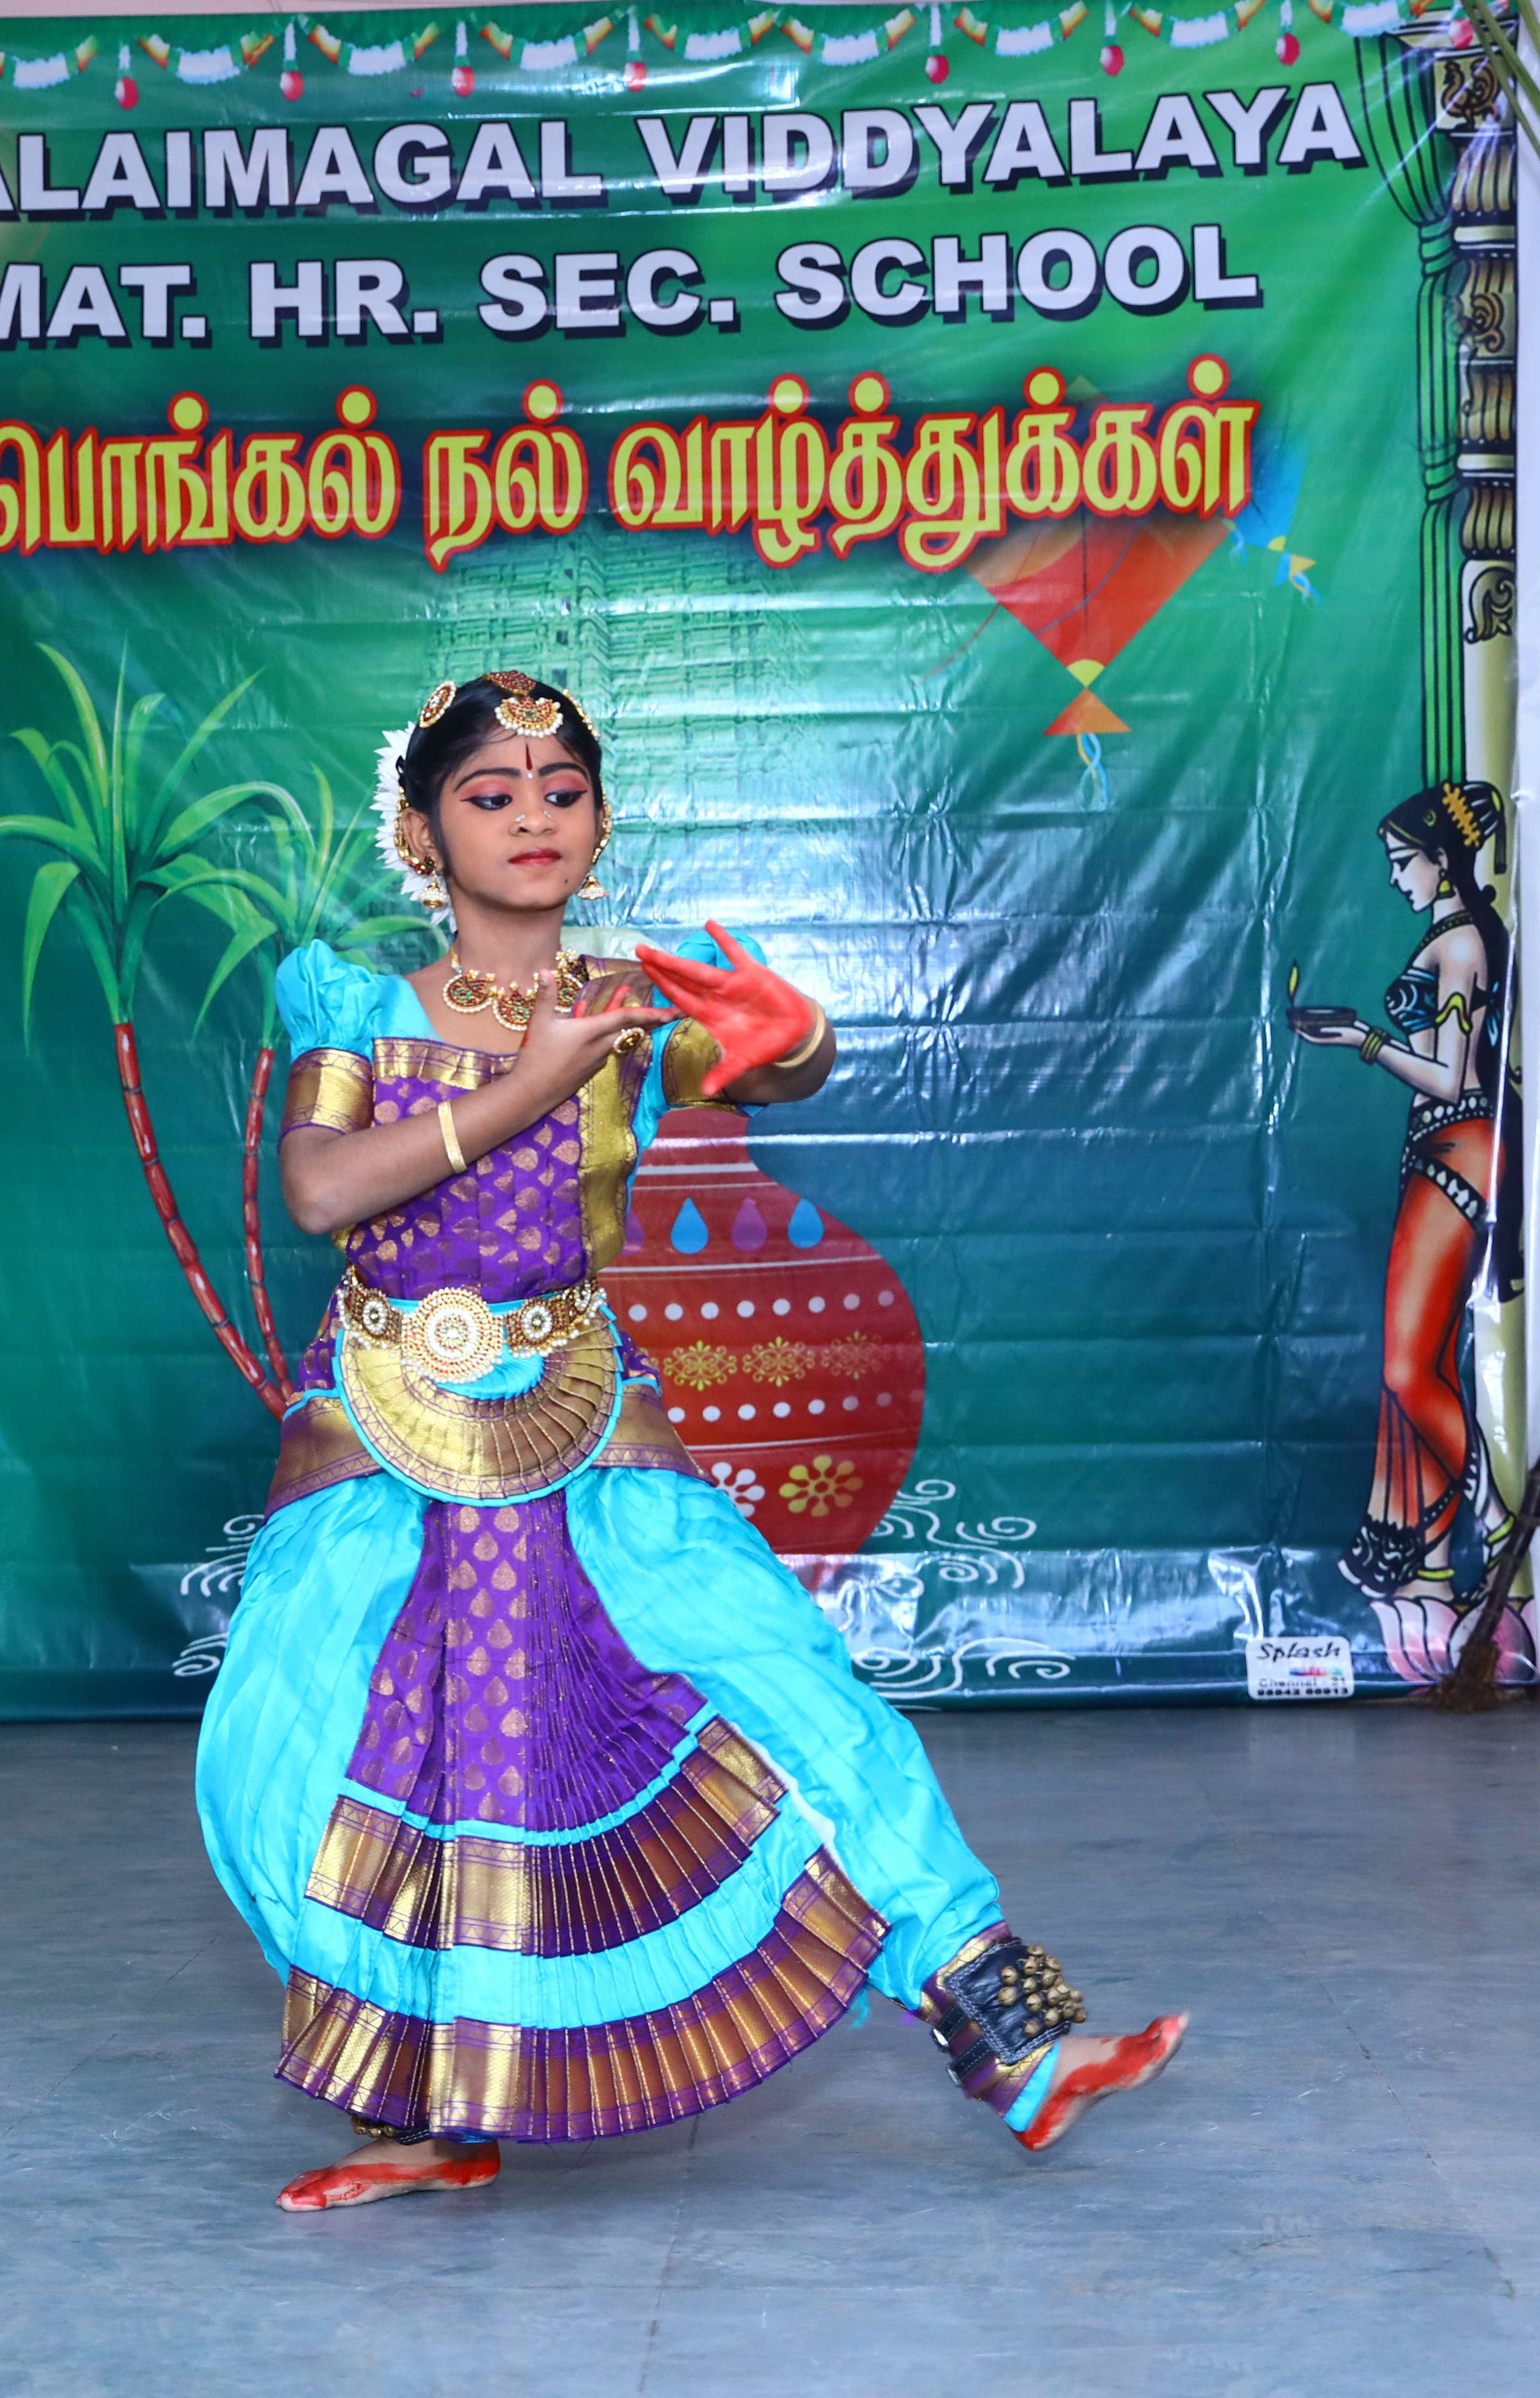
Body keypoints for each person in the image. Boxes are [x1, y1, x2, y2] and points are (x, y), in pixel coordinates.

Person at [194, 671, 1187, 2212]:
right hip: (382, 1417)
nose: (534, 818)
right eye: (492, 793)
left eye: (563, 792)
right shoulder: (359, 1005)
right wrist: (526, 1082)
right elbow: (323, 1196)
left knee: (786, 1689)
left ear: (599, 822)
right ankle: (427, 2108)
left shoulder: (624, 1003)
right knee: (317, 1747)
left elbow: (764, 1064)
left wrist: (797, 1041)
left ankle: (1014, 2036)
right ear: (422, 827)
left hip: (583, 1408)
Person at [1292, 782, 1524, 1686]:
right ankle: (1445, 1554)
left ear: (1444, 859)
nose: (1396, 880)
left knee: (1405, 1367)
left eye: (1404, 862)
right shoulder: (1458, 937)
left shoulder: (1462, 941)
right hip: (1448, 1149)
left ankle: (1501, 1522)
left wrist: (1361, 1041)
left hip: (1457, 1145)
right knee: (1414, 1364)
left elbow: (1449, 1076)